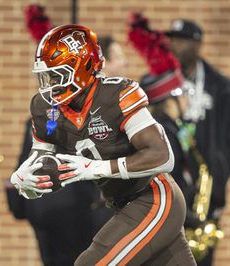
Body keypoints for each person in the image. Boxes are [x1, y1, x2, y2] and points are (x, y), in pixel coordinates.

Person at [10, 24, 196, 265]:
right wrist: (26, 181)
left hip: (154, 197)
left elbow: (162, 156)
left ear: (82, 68)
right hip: (121, 204)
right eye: (46, 76)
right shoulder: (47, 109)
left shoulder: (117, 95)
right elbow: (41, 157)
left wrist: (95, 168)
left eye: (57, 75)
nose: (49, 85)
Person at [166, 19, 230, 265]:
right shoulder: (160, 84)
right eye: (171, 40)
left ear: (197, 44)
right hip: (172, 186)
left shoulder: (221, 87)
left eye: (181, 40)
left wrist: (220, 172)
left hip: (207, 190)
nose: (174, 46)